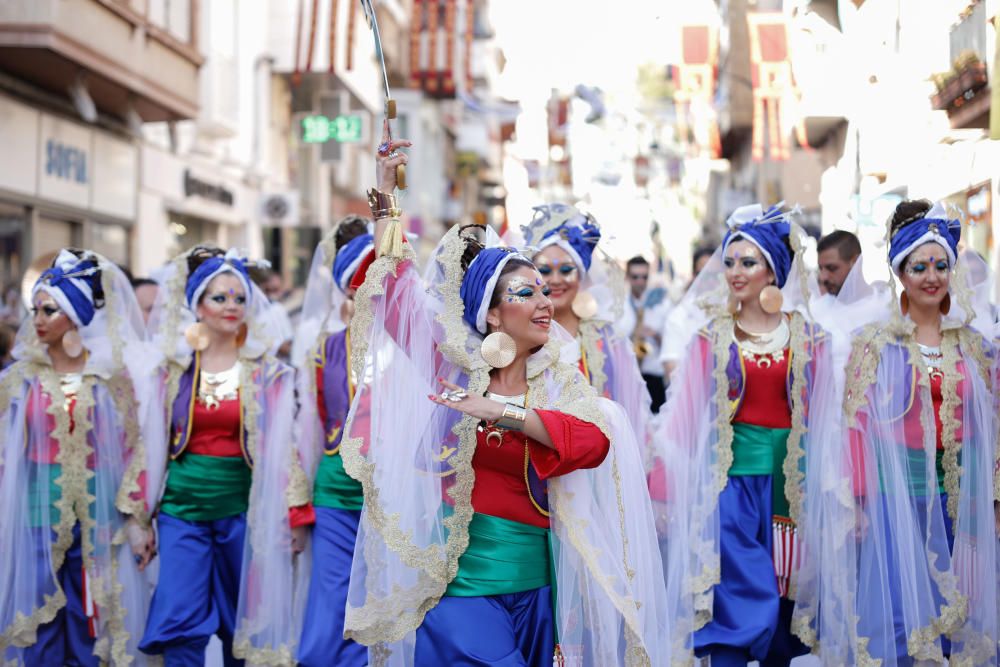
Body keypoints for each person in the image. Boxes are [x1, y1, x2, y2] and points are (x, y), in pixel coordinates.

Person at [338, 125, 671, 665]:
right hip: (462, 582)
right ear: (491, 314)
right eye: (525, 292)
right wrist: (386, 202)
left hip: (540, 585)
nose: (544, 301)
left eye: (544, 289)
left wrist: (508, 413)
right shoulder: (453, 366)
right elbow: (397, 292)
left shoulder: (558, 377)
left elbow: (593, 442)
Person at [793, 200, 1000, 665]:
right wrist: (860, 501)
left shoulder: (974, 345)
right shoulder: (874, 343)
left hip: (961, 498)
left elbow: (995, 422)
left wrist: (995, 495)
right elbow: (854, 425)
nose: (931, 276)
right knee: (904, 617)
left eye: (940, 265)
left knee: (960, 613)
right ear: (900, 273)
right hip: (894, 500)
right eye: (919, 266)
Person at [649, 204, 827, 666]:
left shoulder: (809, 338)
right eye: (729, 262)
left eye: (748, 262)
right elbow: (684, 419)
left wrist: (846, 491)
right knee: (738, 594)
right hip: (730, 484)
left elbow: (826, 415)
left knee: (785, 602)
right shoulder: (711, 337)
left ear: (773, 270)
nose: (734, 272)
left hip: (793, 486)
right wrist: (663, 492)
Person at [139, 246, 313, 665]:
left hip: (243, 512)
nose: (231, 306)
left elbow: (281, 447)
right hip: (182, 511)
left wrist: (296, 514)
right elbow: (150, 446)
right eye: (219, 297)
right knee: (181, 622)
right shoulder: (174, 371)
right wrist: (137, 517)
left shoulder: (267, 372)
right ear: (197, 305)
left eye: (239, 298)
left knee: (244, 626)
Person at [0, 249, 160, 666]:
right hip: (35, 512)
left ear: (75, 315)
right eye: (35, 309)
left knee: (91, 618)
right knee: (37, 617)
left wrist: (136, 518)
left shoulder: (109, 378)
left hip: (98, 514)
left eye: (50, 309)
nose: (37, 319)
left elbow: (132, 450)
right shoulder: (18, 380)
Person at [293, 215, 373, 667]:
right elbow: (305, 428)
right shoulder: (324, 349)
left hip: (393, 494)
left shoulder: (417, 348)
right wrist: (297, 504)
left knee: (388, 596)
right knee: (333, 597)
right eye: (363, 278)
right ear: (347, 288)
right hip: (336, 491)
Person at [521, 204, 652, 447]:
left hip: (596, 464)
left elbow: (632, 412)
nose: (556, 280)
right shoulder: (520, 335)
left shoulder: (608, 340)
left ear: (581, 276)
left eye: (567, 270)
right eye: (545, 270)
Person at [619, 255, 671, 411]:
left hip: (653, 374)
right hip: (627, 375)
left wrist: (654, 334)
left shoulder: (662, 303)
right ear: (627, 277)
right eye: (635, 277)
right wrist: (632, 333)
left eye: (644, 277)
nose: (640, 281)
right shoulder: (618, 305)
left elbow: (671, 344)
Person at [816, 230, 861, 296]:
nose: (823, 277)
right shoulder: (817, 304)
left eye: (832, 268)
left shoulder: (878, 304)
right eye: (820, 269)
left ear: (855, 262)